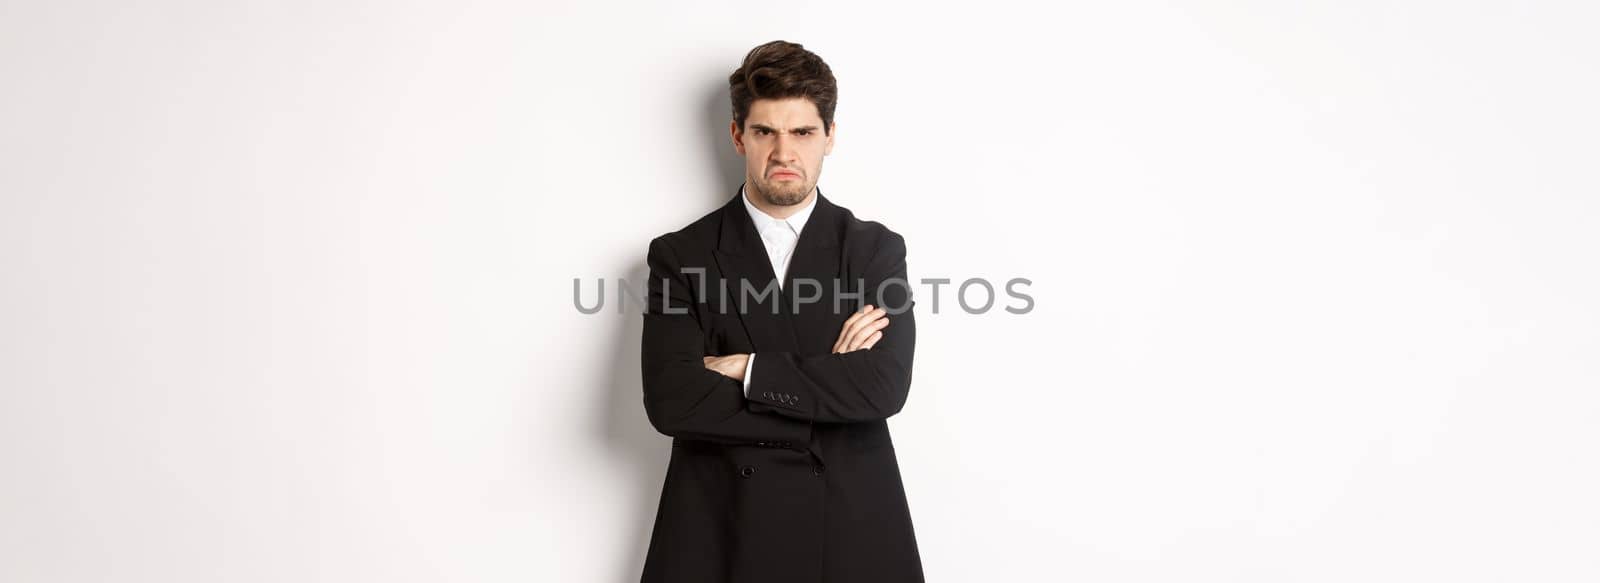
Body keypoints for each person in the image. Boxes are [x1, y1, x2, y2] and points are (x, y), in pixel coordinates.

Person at [638, 40, 924, 582]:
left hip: (847, 524)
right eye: (766, 131)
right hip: (723, 522)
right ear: (737, 135)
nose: (784, 152)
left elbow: (883, 387)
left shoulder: (874, 250)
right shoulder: (682, 255)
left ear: (830, 137)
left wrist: (748, 369)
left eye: (802, 132)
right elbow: (672, 402)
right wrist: (828, 381)